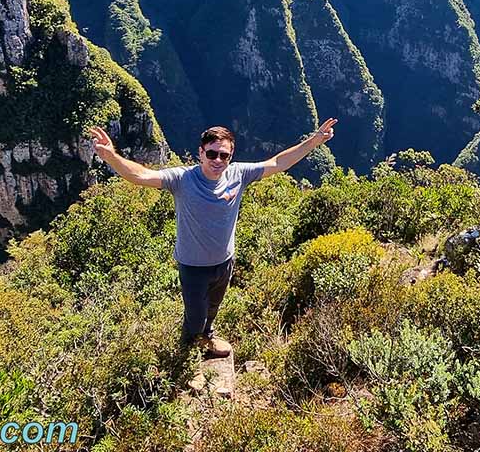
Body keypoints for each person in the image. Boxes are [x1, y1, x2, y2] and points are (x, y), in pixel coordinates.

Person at [87, 118, 337, 358]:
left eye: (224, 155)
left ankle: (208, 337)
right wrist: (111, 156)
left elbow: (278, 162)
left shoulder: (239, 174)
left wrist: (314, 142)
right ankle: (188, 358)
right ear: (201, 152)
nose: (217, 160)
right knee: (194, 317)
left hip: (225, 262)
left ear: (231, 156)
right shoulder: (182, 179)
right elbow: (140, 175)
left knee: (213, 310)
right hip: (193, 266)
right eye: (212, 154)